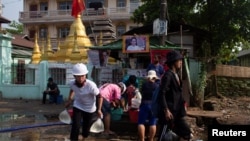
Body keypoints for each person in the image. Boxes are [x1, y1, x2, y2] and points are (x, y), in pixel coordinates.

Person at [158, 50, 191, 141]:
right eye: (179, 60)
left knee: (186, 132)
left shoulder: (176, 75)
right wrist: (166, 110)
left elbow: (178, 94)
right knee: (162, 135)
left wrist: (183, 105)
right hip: (169, 114)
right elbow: (162, 93)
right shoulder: (168, 75)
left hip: (177, 113)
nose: (181, 62)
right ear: (173, 62)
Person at [65, 63, 100, 141]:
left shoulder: (91, 85)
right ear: (74, 76)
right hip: (78, 105)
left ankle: (84, 137)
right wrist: (69, 100)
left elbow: (99, 96)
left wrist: (99, 109)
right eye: (78, 76)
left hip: (89, 108)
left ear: (85, 75)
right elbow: (72, 89)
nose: (80, 78)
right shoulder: (72, 83)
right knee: (76, 125)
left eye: (82, 76)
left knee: (86, 127)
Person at [138, 70, 159, 141]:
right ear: (155, 78)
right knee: (153, 123)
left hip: (144, 104)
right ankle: (151, 139)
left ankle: (142, 139)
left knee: (141, 122)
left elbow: (141, 93)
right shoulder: (157, 86)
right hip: (153, 106)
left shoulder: (144, 85)